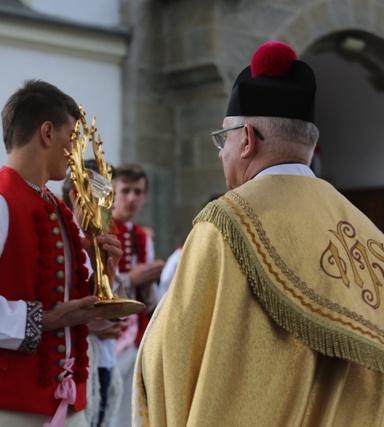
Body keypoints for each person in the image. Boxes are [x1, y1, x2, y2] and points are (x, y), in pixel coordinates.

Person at [133, 41, 384, 425]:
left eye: (224, 139)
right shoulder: (369, 239)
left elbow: (171, 357)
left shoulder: (224, 224)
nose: (221, 153)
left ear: (247, 139)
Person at [0, 79, 124, 427]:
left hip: (61, 403)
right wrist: (47, 319)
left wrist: (105, 278)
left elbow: (72, 309)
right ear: (47, 133)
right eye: (72, 137)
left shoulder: (55, 208)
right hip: (4, 406)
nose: (75, 151)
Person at [62, 159, 124, 427]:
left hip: (105, 356)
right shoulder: (63, 234)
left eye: (105, 193)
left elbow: (111, 309)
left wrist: (112, 270)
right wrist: (92, 328)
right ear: (73, 194)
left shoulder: (105, 233)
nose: (100, 201)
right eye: (93, 191)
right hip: (70, 360)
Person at [108, 163, 163, 427]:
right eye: (126, 190)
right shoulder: (102, 229)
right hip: (108, 336)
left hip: (135, 337)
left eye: (138, 192)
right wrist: (133, 279)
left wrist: (149, 282)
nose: (131, 198)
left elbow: (149, 303)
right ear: (113, 192)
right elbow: (98, 288)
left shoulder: (143, 237)